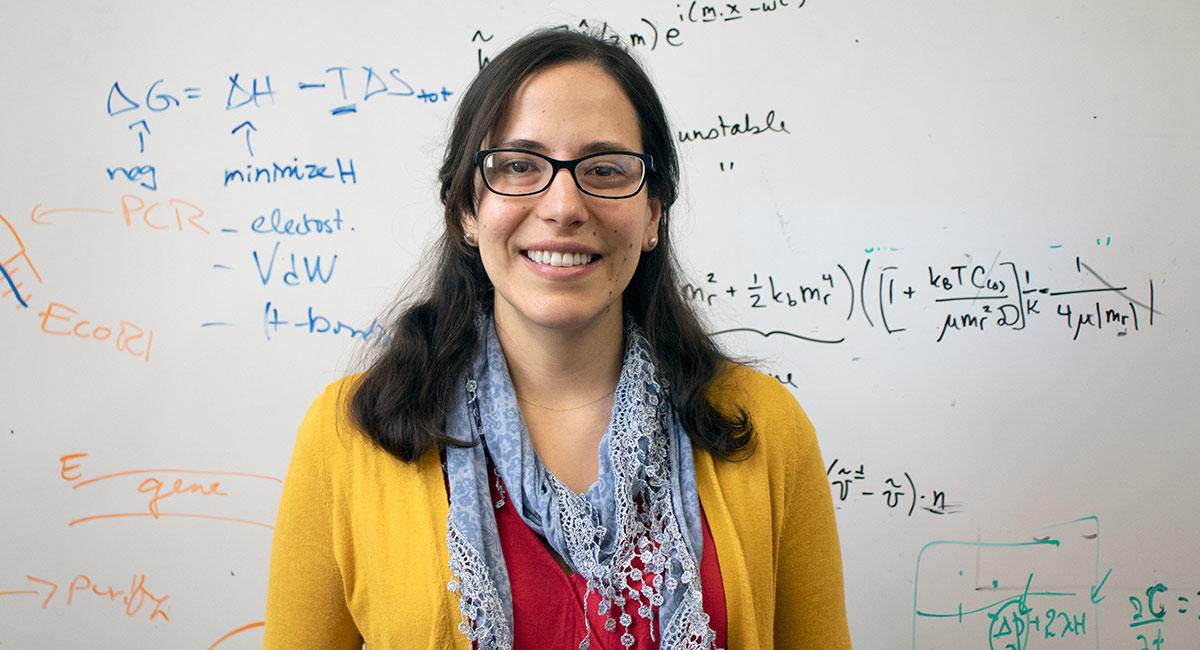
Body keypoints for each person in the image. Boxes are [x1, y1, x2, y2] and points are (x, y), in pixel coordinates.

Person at [264, 28, 851, 649]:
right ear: (467, 209)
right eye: (518, 166)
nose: (563, 205)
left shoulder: (764, 426)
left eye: (604, 168)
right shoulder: (347, 435)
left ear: (653, 212)